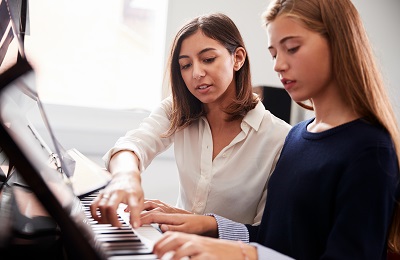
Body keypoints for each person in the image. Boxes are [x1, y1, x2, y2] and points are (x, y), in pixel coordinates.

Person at [139, 0, 400, 259]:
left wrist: (244, 254)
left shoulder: (369, 148)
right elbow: (272, 240)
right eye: (274, 53)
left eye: (292, 48)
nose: (277, 65)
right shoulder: (298, 137)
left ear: (339, 43)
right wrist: (208, 225)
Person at [90, 13, 291, 229]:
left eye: (208, 59)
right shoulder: (178, 110)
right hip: (173, 243)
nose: (196, 73)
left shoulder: (279, 139)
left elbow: (266, 234)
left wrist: (201, 223)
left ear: (238, 58)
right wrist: (125, 177)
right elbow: (134, 144)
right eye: (185, 65)